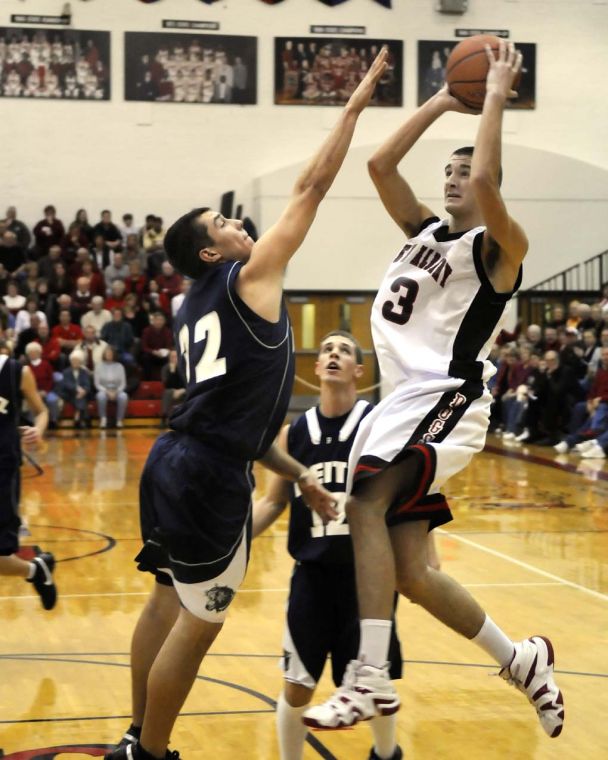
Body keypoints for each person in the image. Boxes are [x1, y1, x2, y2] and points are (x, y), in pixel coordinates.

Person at [104, 48, 389, 760]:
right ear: (212, 253)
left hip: (175, 457)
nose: (237, 223)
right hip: (205, 475)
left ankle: (138, 735)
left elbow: (239, 414)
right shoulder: (249, 276)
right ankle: (153, 752)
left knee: (166, 599)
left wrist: (296, 477)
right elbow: (312, 186)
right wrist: (353, 108)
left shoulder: (186, 304)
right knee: (202, 622)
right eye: (223, 222)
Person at [304, 41, 564, 741]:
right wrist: (446, 98)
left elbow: (485, 178)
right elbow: (379, 164)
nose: (455, 181)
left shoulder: (499, 247)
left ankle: (368, 676)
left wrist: (497, 98)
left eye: (464, 174)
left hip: (449, 397)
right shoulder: (421, 233)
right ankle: (523, 660)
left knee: (364, 501)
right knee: (415, 572)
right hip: (401, 403)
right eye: (445, 174)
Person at [252, 331, 410, 760]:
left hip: (369, 580)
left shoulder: (377, 425)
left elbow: (405, 496)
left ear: (359, 370)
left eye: (344, 350)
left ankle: (386, 753)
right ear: (317, 369)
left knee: (371, 679)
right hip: (313, 575)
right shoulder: (293, 433)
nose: (334, 354)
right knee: (297, 683)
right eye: (327, 350)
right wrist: (233, 539)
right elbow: (271, 501)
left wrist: (421, 558)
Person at [0, 338, 56, 608]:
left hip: (3, 470)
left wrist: (38, 429)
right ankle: (36, 570)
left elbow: (42, 411)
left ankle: (34, 571)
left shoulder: (15, 371)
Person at [94, 345, 128, 429]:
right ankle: (103, 419)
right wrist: (107, 391)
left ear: (114, 355)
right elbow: (97, 384)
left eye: (110, 353)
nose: (109, 355)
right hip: (104, 390)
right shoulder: (98, 366)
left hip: (116, 390)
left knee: (123, 396)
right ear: (104, 355)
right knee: (100, 396)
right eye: (107, 353)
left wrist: (116, 391)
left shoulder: (120, 366)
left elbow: (123, 383)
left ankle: (119, 420)